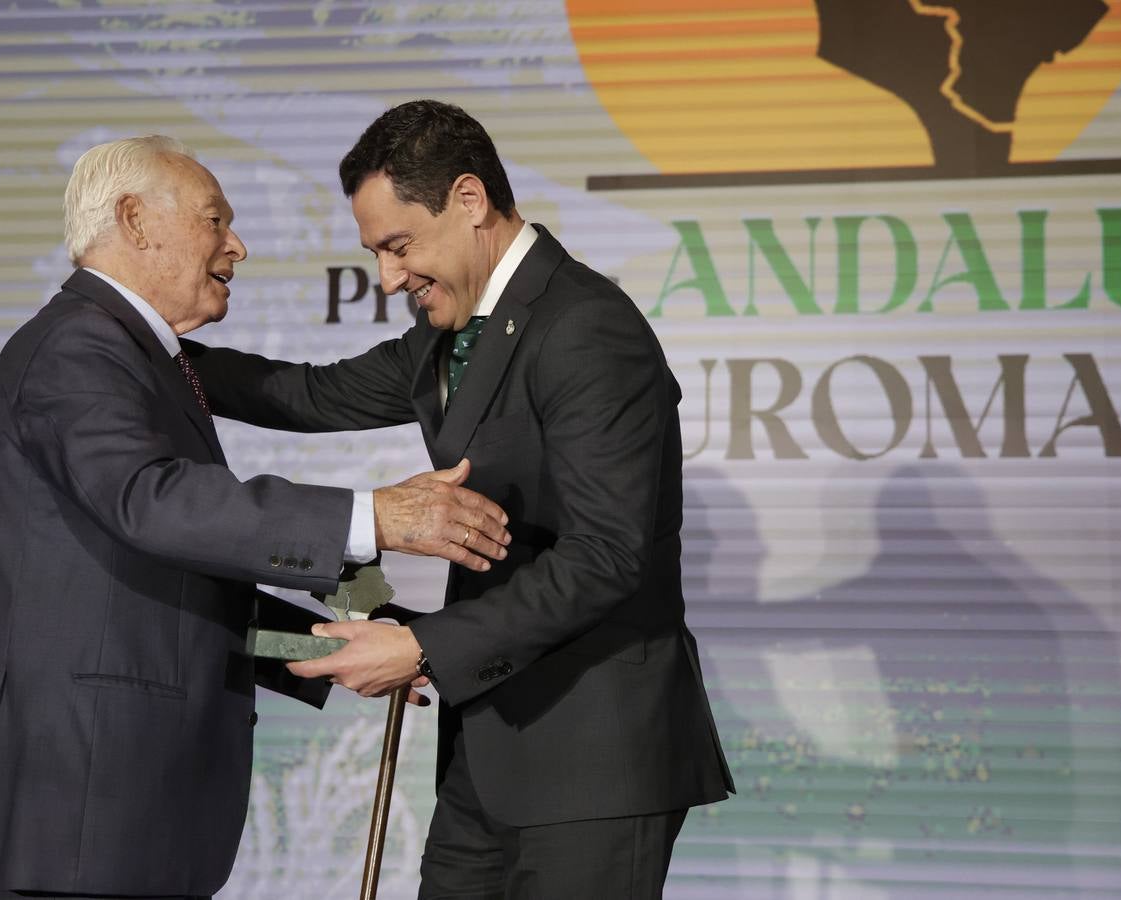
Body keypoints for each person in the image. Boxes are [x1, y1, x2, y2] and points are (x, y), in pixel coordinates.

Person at [0, 134, 509, 900]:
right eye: (214, 219)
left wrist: (354, 640)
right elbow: (155, 503)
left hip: (124, 816)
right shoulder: (77, 350)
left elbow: (179, 591)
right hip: (83, 810)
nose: (236, 245)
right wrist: (376, 516)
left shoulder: (132, 357)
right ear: (134, 219)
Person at [189, 101, 735, 899]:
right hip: (489, 750)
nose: (388, 278)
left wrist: (421, 650)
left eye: (398, 246)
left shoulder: (585, 328)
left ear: (470, 201)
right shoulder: (449, 332)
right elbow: (308, 395)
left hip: (592, 765)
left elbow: (606, 557)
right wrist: (152, 351)